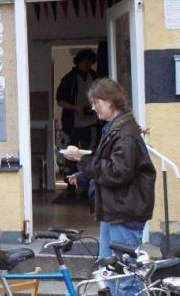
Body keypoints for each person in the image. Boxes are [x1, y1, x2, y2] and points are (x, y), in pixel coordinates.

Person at [65, 78, 156, 294]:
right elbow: (112, 166)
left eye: (95, 102)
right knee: (111, 273)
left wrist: (83, 161)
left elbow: (117, 173)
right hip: (115, 211)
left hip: (124, 212)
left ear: (108, 101)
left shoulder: (125, 134)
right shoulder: (116, 128)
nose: (93, 108)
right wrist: (84, 174)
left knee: (124, 277)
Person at [56, 49, 99, 195]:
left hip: (91, 122)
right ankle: (70, 185)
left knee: (90, 153)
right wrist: (76, 108)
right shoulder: (69, 78)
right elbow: (60, 101)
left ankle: (88, 183)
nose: (87, 65)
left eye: (90, 62)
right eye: (84, 62)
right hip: (72, 123)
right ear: (78, 62)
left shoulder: (95, 77)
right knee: (70, 155)